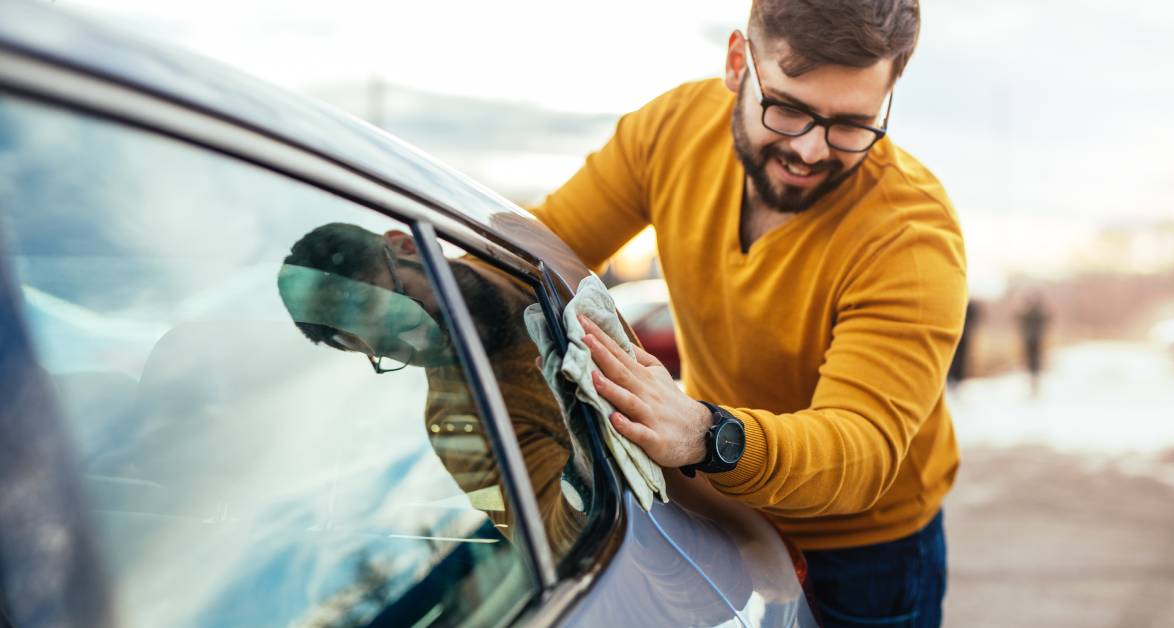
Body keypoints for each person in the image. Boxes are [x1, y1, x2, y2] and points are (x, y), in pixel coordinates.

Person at [528, 1, 965, 625]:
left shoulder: (912, 234)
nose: (812, 150)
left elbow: (860, 447)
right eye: (786, 108)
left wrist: (706, 434)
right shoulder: (672, 131)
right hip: (719, 506)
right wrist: (408, 276)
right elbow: (545, 246)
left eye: (853, 124)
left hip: (865, 549)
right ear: (739, 62)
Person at [275, 223, 589, 559]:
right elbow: (555, 543)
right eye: (391, 349)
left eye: (406, 314)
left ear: (409, 247)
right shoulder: (458, 425)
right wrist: (587, 450)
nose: (425, 344)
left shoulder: (519, 244)